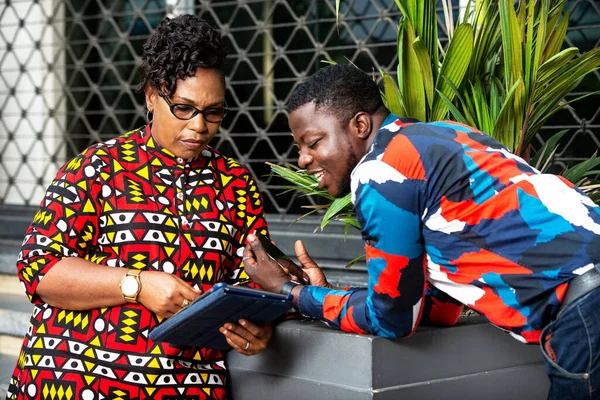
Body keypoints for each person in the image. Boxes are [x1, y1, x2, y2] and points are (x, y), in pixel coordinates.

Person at [242, 64, 600, 399]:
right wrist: (329, 294)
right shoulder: (450, 134)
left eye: (313, 142)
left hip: (585, 310)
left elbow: (392, 320)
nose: (303, 159)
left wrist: (291, 291)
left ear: (360, 126)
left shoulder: (382, 170)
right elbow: (437, 309)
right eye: (299, 148)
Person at [6, 15, 272, 400]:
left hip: (187, 386)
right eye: (183, 108)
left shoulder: (235, 183)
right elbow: (38, 268)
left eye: (214, 112)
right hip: (73, 383)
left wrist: (255, 328)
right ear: (151, 95)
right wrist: (137, 284)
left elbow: (253, 279)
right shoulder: (98, 167)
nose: (200, 126)